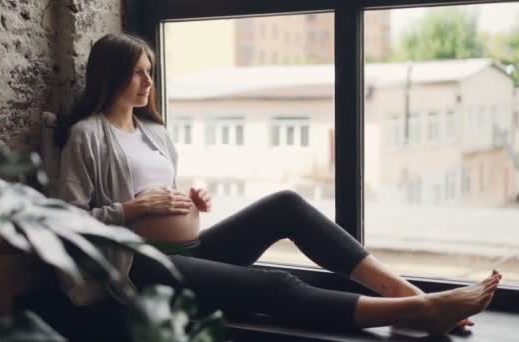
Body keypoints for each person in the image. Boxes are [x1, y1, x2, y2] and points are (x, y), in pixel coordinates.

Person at [55, 32, 502, 336]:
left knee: (286, 204)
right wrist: (130, 210)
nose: (149, 81)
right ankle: (418, 312)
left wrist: (191, 202)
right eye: (137, 72)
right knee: (276, 286)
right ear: (110, 74)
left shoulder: (154, 131)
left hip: (187, 254)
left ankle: (406, 290)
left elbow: (161, 198)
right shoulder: (87, 135)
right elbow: (65, 222)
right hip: (140, 270)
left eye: (150, 70)